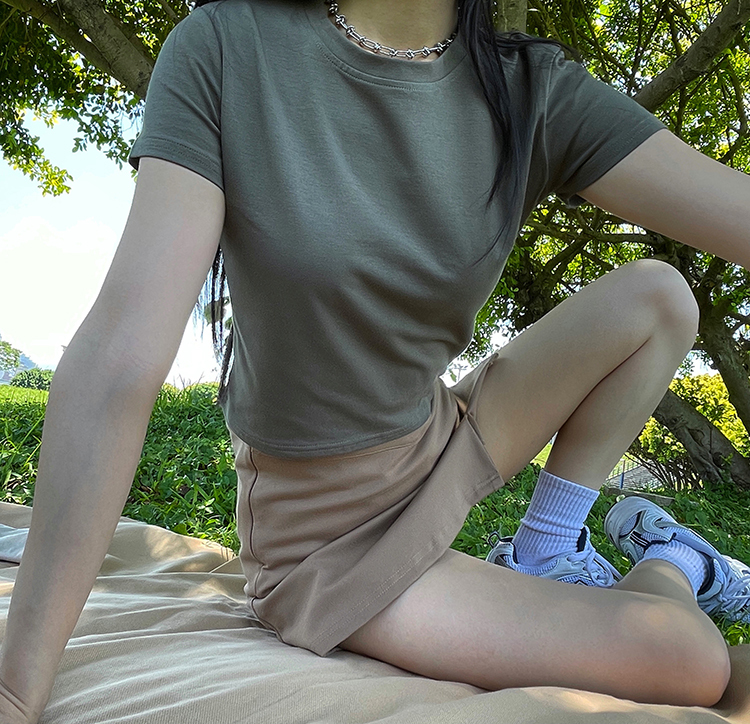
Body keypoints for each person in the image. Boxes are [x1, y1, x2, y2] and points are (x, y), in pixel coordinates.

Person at [1, 0, 749, 721]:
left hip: (436, 441)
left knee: (659, 299)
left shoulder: (527, 87)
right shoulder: (228, 47)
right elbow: (120, 355)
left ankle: (546, 551)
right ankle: (675, 564)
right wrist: (14, 692)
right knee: (691, 661)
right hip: (328, 547)